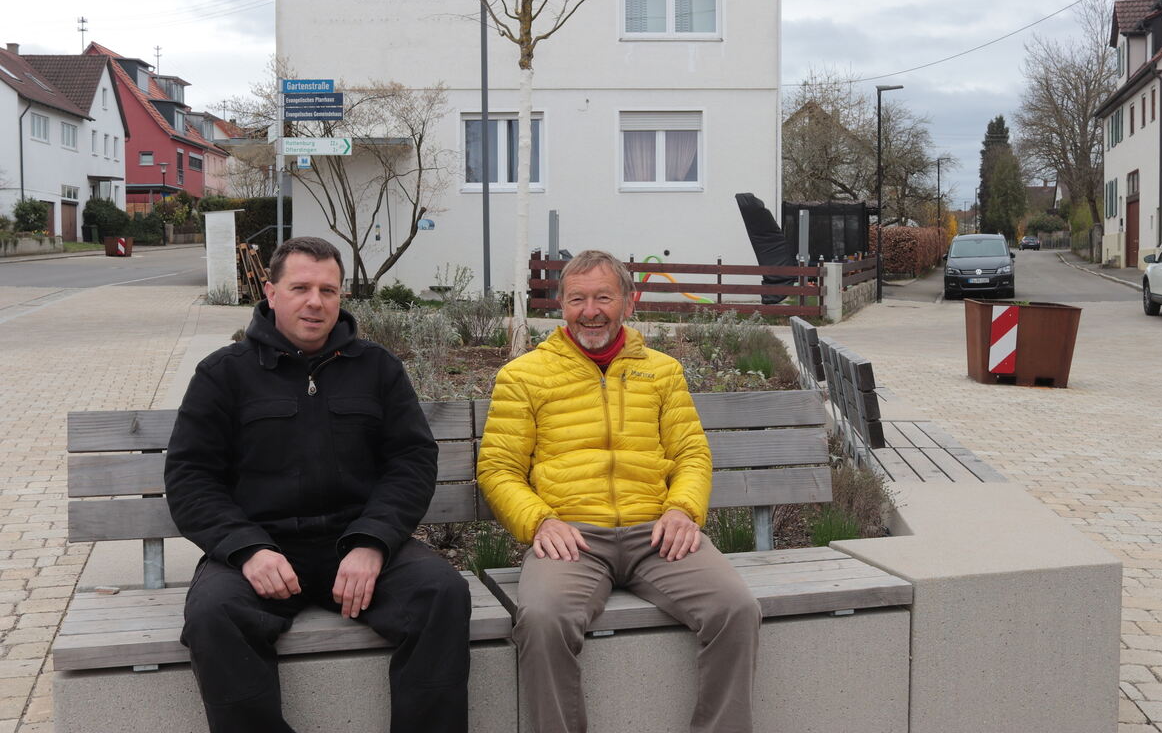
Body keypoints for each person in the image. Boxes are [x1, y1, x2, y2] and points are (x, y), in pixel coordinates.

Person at [165, 236, 470, 733]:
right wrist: (247, 550)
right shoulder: (224, 373)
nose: (315, 302)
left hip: (356, 545)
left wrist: (373, 542)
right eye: (300, 288)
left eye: (328, 290)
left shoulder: (378, 368)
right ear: (270, 292)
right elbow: (190, 476)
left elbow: (411, 461)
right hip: (262, 552)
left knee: (442, 594)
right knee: (213, 615)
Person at [477, 249, 761, 733]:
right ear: (561, 306)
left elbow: (691, 454)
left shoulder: (662, 371)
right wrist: (541, 521)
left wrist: (682, 510)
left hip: (658, 534)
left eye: (604, 298)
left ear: (629, 302)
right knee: (542, 620)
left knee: (735, 609)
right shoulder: (524, 375)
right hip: (573, 540)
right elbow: (498, 468)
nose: (590, 311)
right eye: (577, 299)